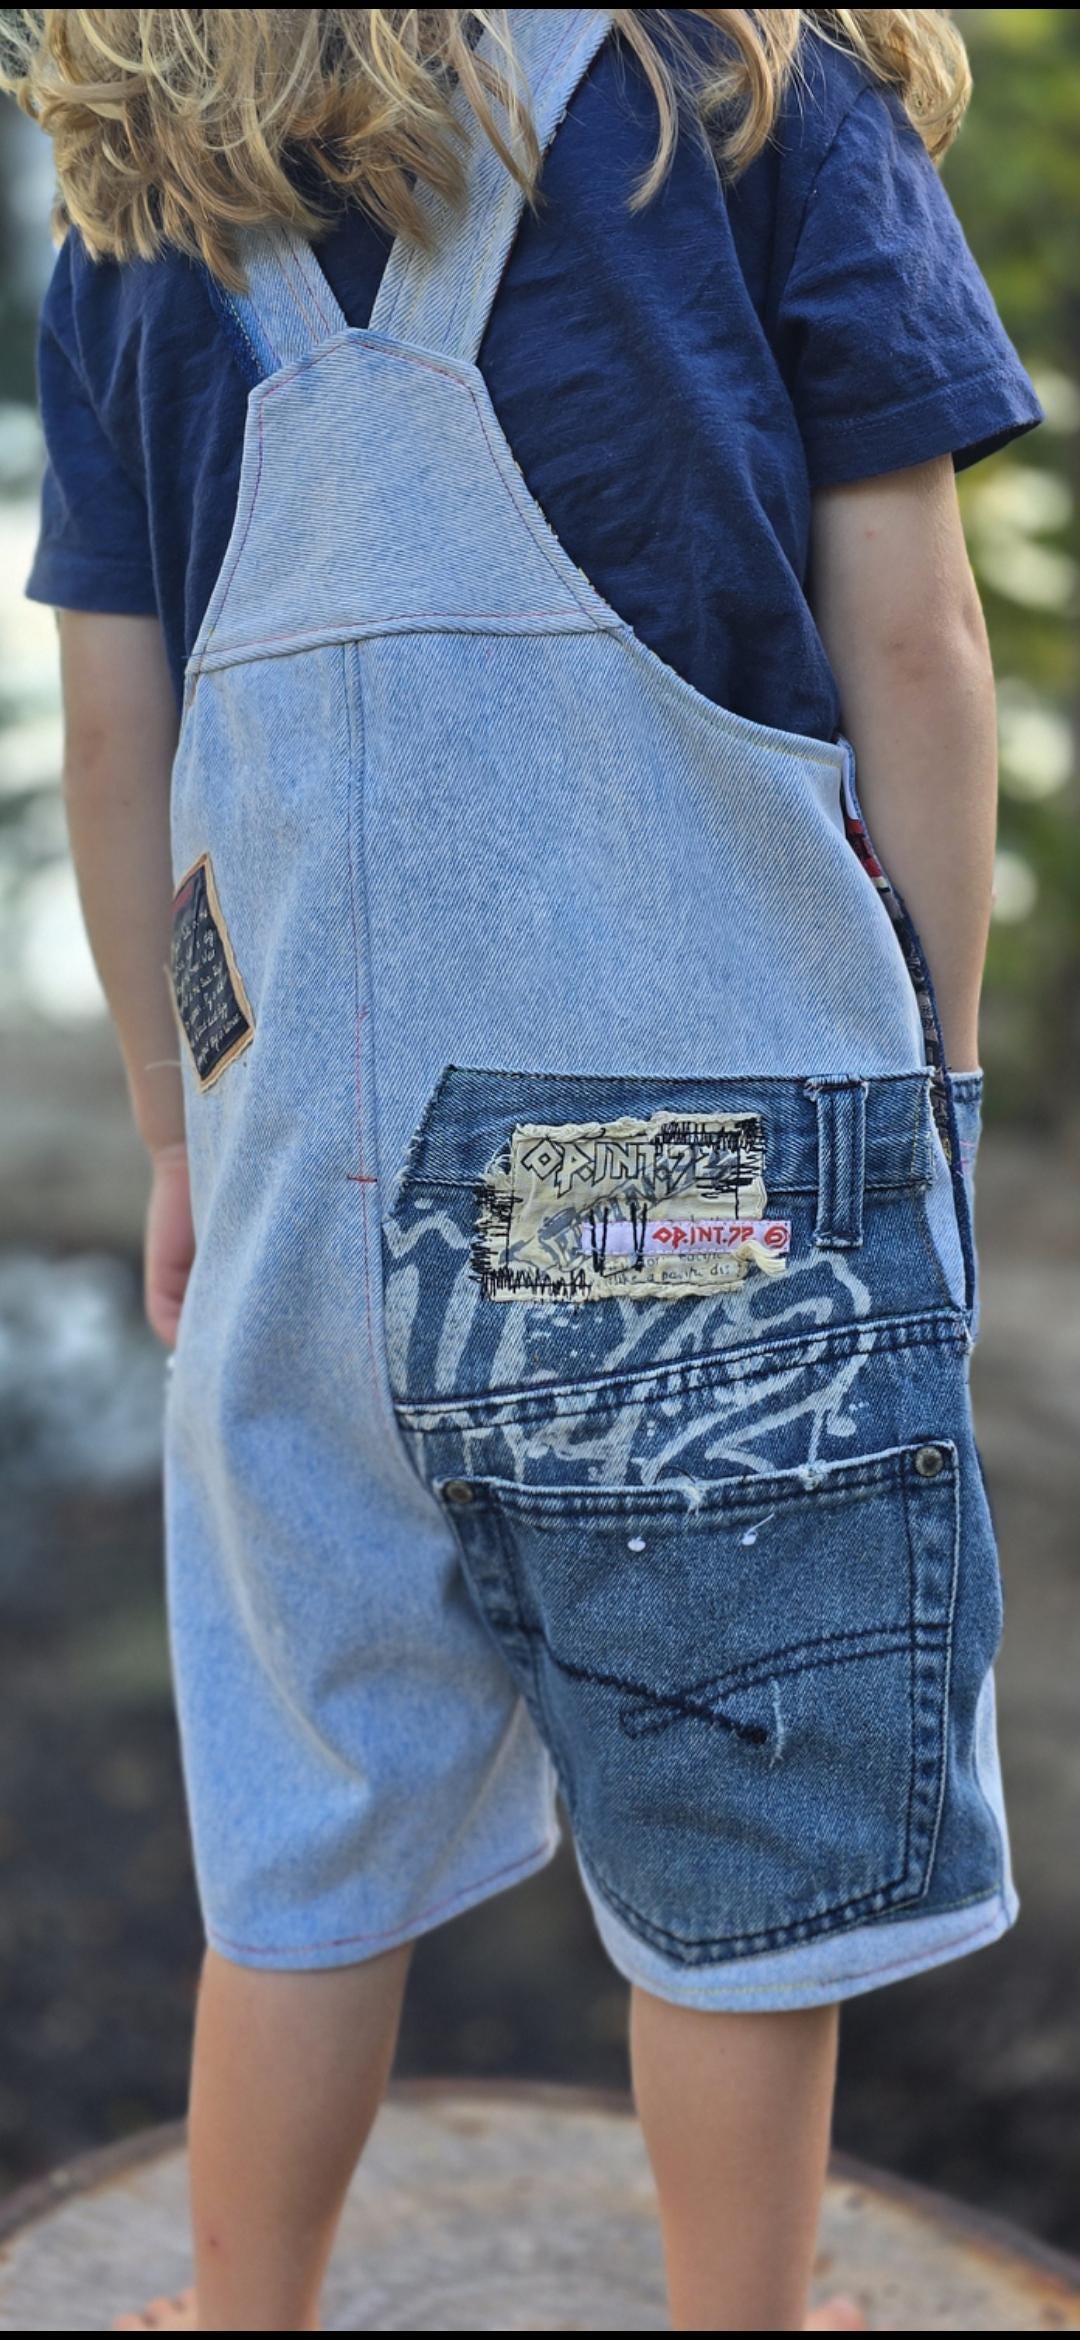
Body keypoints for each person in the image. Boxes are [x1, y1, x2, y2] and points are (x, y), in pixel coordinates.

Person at [6, 7, 1042, 2331]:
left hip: (307, 1204)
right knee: (742, 1839)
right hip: (705, 1191)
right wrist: (940, 1071)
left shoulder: (149, 186)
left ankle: (245, 2312)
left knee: (307, 1824)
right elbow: (919, 638)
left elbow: (113, 730)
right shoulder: (757, 100)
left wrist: (178, 1131)